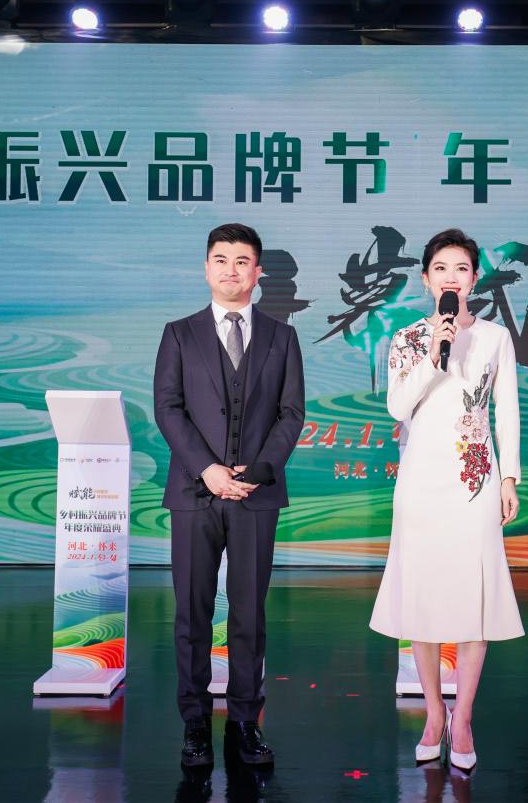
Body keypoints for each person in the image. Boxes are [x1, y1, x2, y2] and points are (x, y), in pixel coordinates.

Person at [370, 228, 524, 771]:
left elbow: (507, 410)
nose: (451, 277)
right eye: (441, 268)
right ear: (425, 279)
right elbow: (397, 408)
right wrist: (435, 351)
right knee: (425, 598)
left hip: (474, 479)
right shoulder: (408, 338)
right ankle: (434, 713)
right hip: (421, 481)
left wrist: (510, 478)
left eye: (461, 268)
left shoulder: (495, 338)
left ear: (474, 278)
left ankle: (464, 719)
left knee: (473, 600)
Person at [154, 223, 305, 769]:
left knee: (248, 614)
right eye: (221, 260)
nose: (231, 270)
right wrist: (209, 469)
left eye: (243, 261)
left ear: (258, 273)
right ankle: (195, 723)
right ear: (206, 268)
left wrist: (259, 471)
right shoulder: (178, 334)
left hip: (256, 496)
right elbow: (168, 408)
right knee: (192, 614)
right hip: (195, 493)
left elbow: (291, 413)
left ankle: (245, 721)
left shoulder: (282, 338)